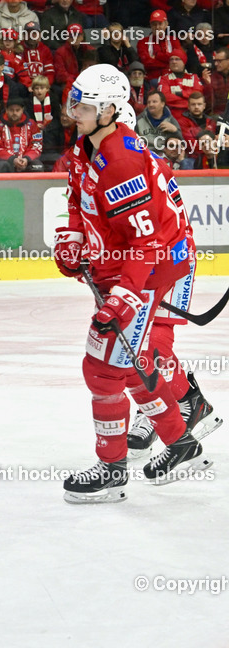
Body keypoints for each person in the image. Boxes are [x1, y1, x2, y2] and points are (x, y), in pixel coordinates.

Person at [57, 65, 214, 503]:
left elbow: (146, 242)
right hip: (136, 266)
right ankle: (181, 441)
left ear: (109, 110)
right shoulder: (89, 142)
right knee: (132, 362)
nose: (74, 111)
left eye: (84, 106)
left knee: (104, 367)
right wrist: (72, 238)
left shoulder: (121, 156)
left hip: (154, 267)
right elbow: (77, 197)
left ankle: (111, 469)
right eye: (74, 101)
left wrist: (124, 298)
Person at [0, 97, 43, 172]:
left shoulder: (31, 124)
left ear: (22, 110)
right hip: (5, 161)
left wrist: (26, 158)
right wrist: (12, 159)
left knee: (37, 165)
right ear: (6, 110)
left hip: (26, 161)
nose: (14, 113)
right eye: (11, 110)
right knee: (2, 166)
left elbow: (37, 145)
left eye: (17, 110)